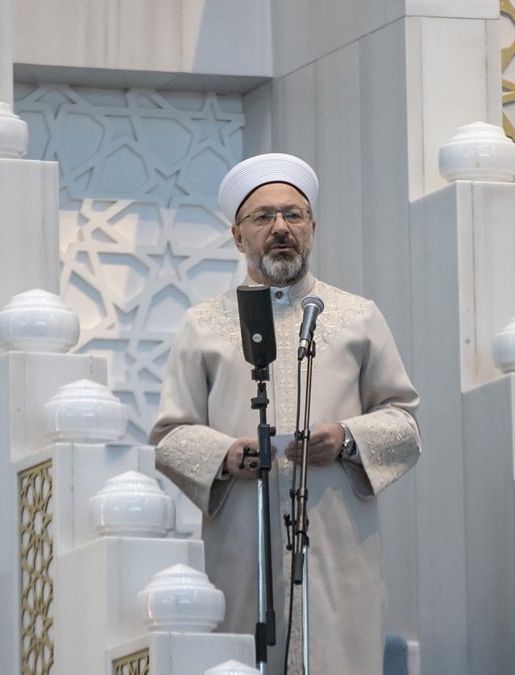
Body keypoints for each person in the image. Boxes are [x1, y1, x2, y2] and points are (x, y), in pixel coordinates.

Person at [150, 153, 421, 674]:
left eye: (293, 215)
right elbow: (169, 436)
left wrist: (345, 438)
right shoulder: (202, 324)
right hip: (240, 550)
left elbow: (405, 425)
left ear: (312, 228)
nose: (280, 228)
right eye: (263, 217)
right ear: (238, 236)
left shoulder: (358, 316)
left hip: (339, 553)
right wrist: (226, 455)